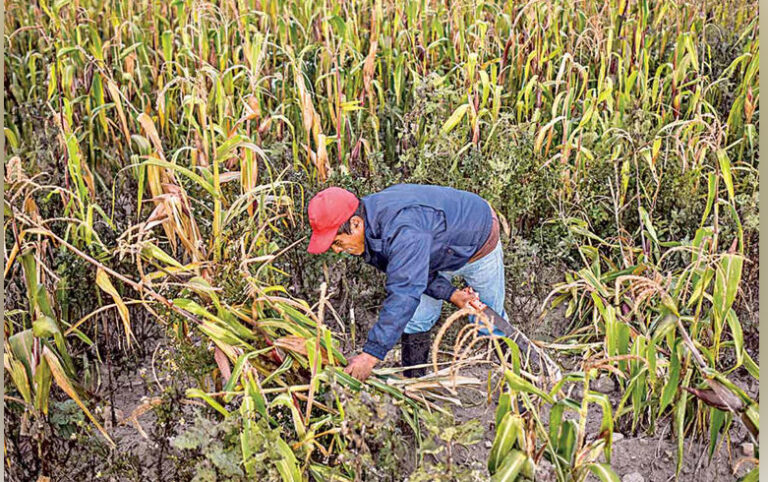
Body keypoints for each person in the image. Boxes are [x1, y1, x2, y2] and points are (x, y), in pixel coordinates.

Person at [307, 184, 507, 382]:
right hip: (434, 248)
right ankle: (414, 385)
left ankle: (524, 384)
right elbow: (413, 272)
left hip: (478, 239)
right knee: (418, 316)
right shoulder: (373, 231)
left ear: (356, 223)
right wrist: (452, 294)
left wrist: (370, 356)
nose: (337, 250)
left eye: (338, 242)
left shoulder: (402, 231)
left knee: (488, 320)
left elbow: (405, 292)